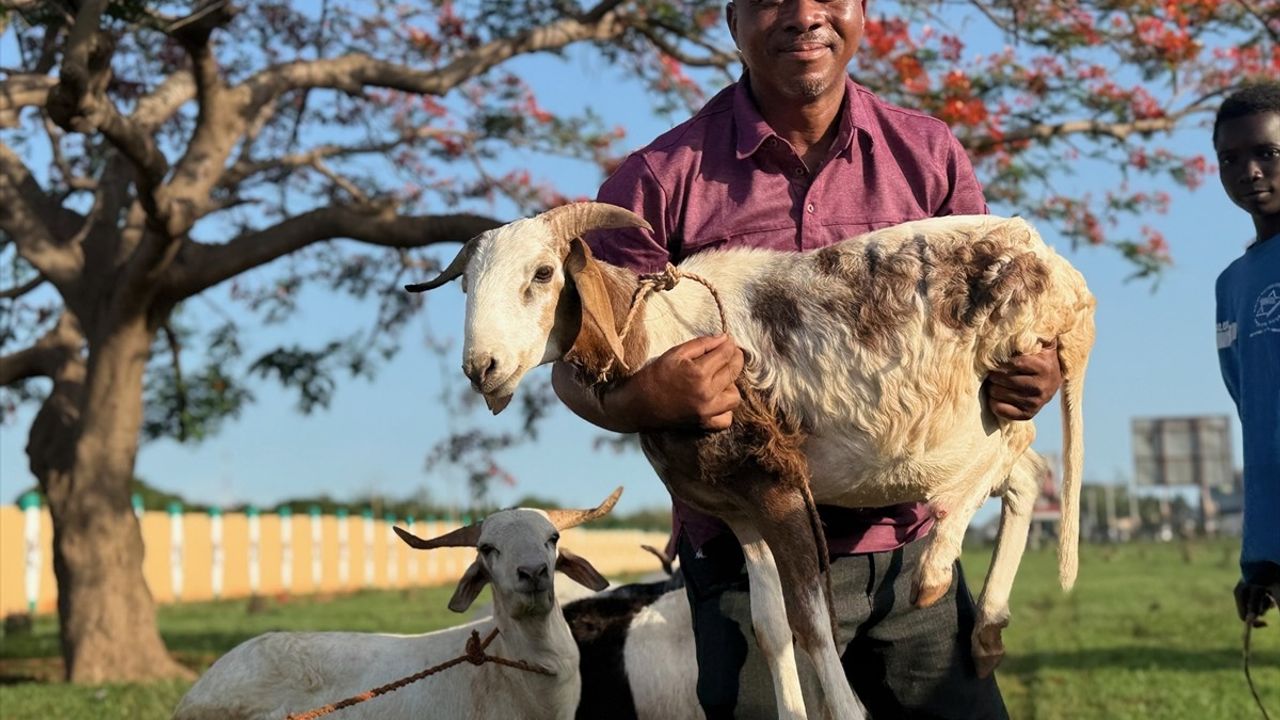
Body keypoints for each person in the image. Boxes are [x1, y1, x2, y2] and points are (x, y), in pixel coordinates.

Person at [552, 1, 1061, 717]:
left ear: (861, 12)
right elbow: (573, 364)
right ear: (733, 21)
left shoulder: (928, 156)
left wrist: (1033, 370)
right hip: (747, 563)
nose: (803, 14)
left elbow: (996, 309)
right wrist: (640, 400)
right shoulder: (657, 184)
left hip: (913, 556)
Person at [1212, 80, 1280, 630]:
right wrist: (1260, 561)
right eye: (1230, 159)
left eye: (1267, 153)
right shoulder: (1232, 285)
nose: (1249, 171)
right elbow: (1257, 422)